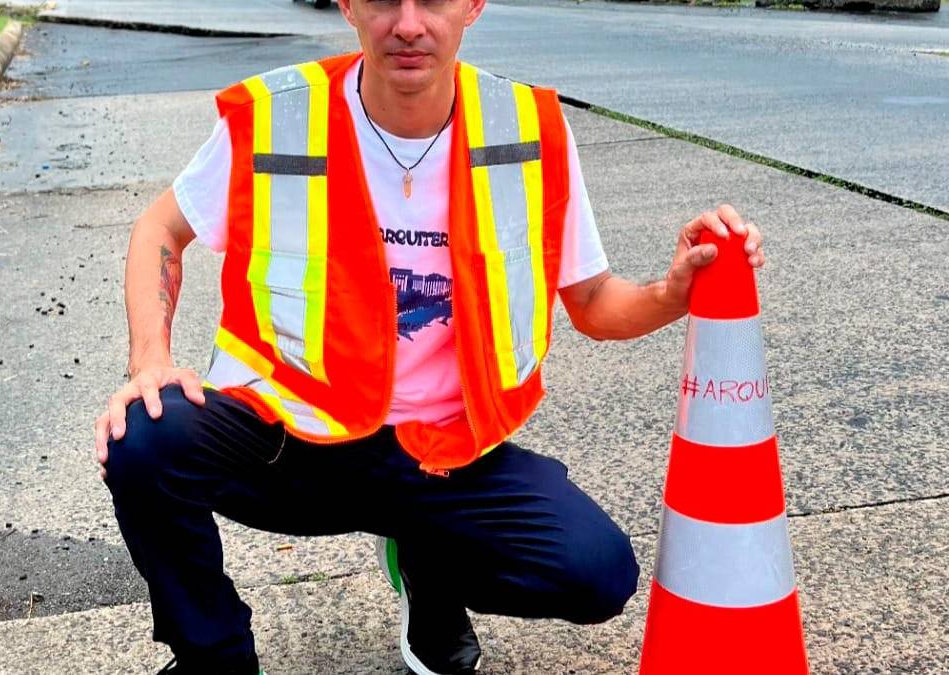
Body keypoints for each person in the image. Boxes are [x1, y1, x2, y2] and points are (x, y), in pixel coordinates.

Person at [93, 1, 765, 673]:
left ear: (473, 5)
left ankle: (428, 565)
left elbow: (591, 302)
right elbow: (161, 228)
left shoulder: (526, 128)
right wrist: (150, 359)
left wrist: (672, 292)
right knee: (142, 437)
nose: (409, 24)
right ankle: (214, 660)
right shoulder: (279, 118)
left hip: (443, 456)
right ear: (347, 4)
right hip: (288, 441)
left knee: (596, 574)